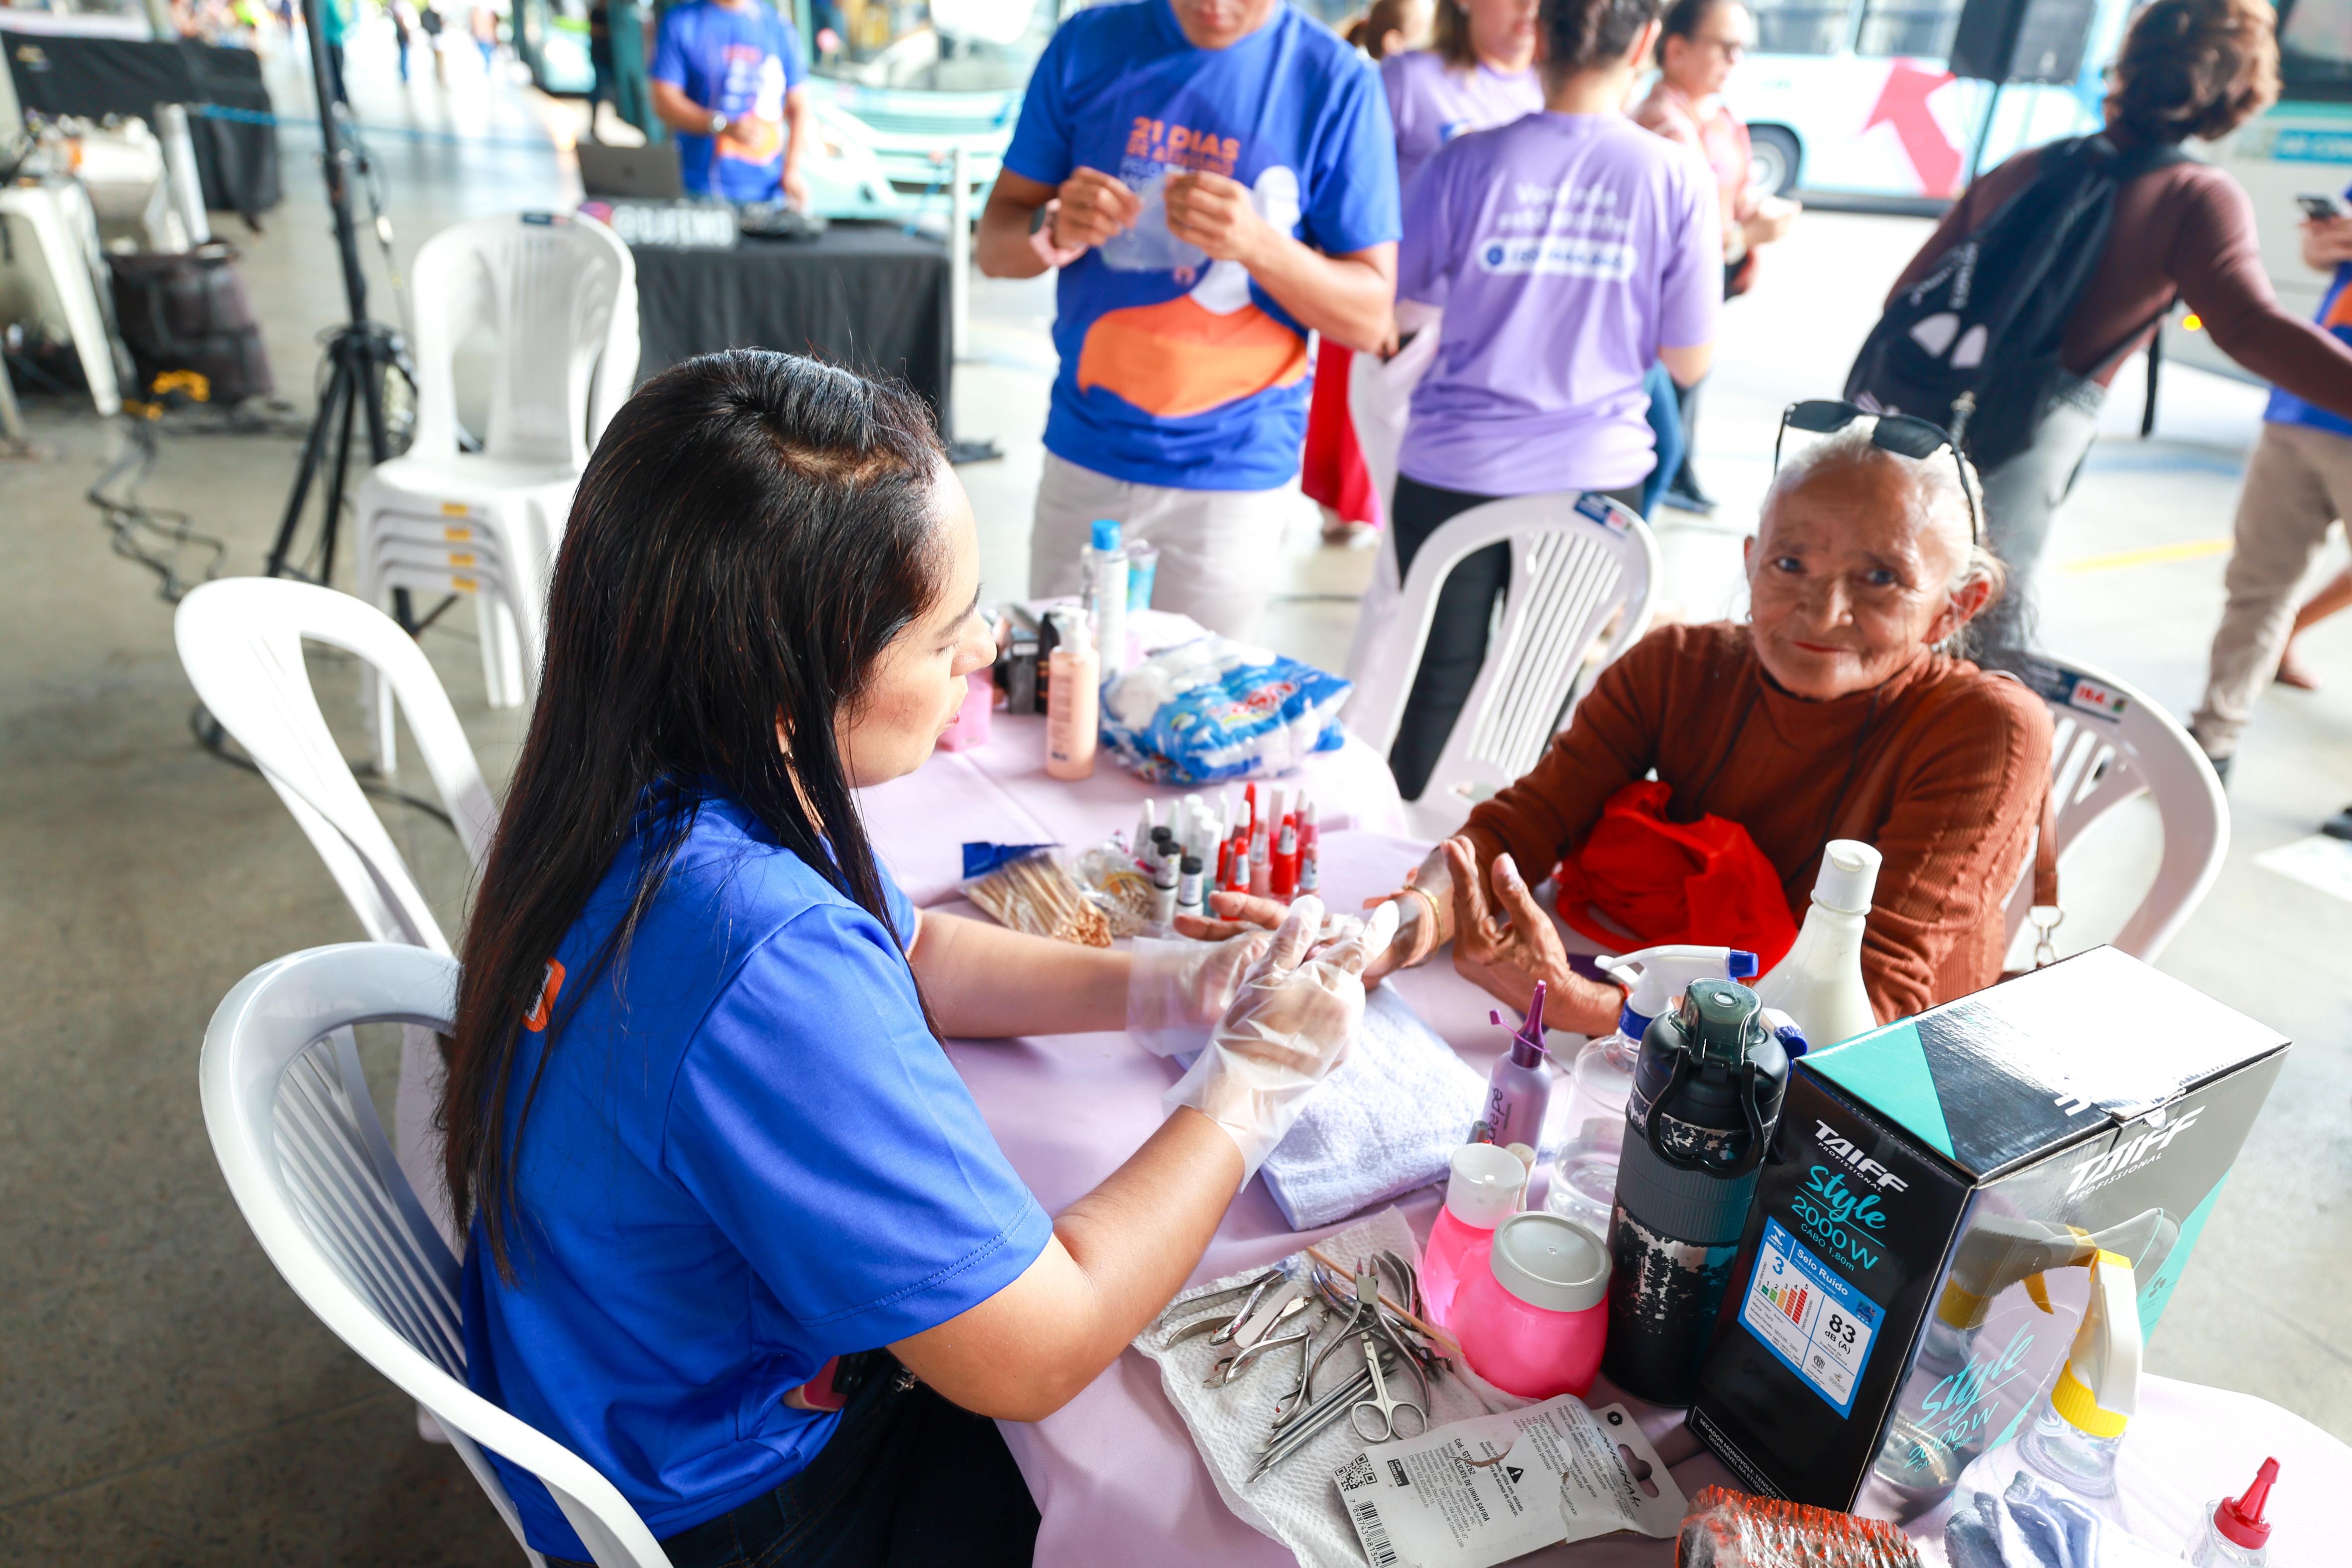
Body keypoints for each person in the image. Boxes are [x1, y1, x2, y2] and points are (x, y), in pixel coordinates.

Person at [443, 352, 1385, 1567]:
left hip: (608, 1380)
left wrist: (1170, 985)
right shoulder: (757, 958)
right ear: (789, 686)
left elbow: (920, 946)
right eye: (945, 636)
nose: (987, 648)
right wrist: (1254, 1080)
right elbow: (1036, 1353)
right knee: (1161, 1479)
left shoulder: (659, 771)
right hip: (731, 1498)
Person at [1193, 412, 2050, 1030]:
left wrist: (1598, 1011)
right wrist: (1393, 929)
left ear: (1954, 606)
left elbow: (1864, 1020)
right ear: (1749, 562)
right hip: (1667, 1001)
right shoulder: (1676, 665)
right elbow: (1524, 822)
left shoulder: (1980, 729)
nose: (1821, 610)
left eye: (1879, 579)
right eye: (1789, 563)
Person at [1887, 0, 2352, 662]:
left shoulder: (2028, 165)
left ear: (2129, 63)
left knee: (1886, 605)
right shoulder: (2194, 195)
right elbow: (2251, 328)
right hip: (2031, 438)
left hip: (1912, 417)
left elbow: (1905, 295)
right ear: (2240, 89)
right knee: (1979, 638)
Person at [974, 0, 1401, 642]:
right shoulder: (1089, 44)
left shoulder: (1335, 79)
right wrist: (1055, 225)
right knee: (1060, 710)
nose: (1216, 6)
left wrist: (1259, 245)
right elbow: (995, 246)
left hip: (1234, 471)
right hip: (1088, 447)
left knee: (1187, 719)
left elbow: (1371, 317)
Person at [1379, 0, 1721, 802]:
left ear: (1540, 35)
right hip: (1591, 484)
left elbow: (1400, 306)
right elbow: (1689, 359)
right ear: (1643, 40)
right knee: (1544, 697)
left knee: (1436, 687)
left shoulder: (1466, 162)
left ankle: (1397, 892)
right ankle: (1507, 881)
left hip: (1449, 471)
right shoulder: (1675, 173)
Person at [1303, 0, 1534, 547]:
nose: (1530, 8)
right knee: (1418, 546)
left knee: (1483, 545)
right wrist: (1370, 303)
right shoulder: (1410, 79)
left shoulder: (1549, 90)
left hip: (1505, 351)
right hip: (1410, 339)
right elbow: (1340, 192)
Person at [2189, 192, 2352, 784]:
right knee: (2257, 585)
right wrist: (2324, 240)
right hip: (2300, 406)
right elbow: (2321, 249)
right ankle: (2211, 742)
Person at [1632, 0, 1796, 513]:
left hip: (1709, 284)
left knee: (1674, 421)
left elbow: (1735, 191)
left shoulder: (1719, 118)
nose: (1734, 60)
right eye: (1724, 47)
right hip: (1665, 299)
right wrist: (1743, 235)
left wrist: (1749, 222)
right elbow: (1678, 237)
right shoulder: (1663, 126)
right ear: (1674, 49)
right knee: (1659, 439)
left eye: (1740, 49)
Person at [649, 0, 811, 207]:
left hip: (768, 191)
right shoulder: (683, 21)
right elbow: (663, 101)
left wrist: (792, 170)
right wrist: (722, 125)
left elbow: (800, 106)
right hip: (697, 187)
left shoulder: (779, 27)